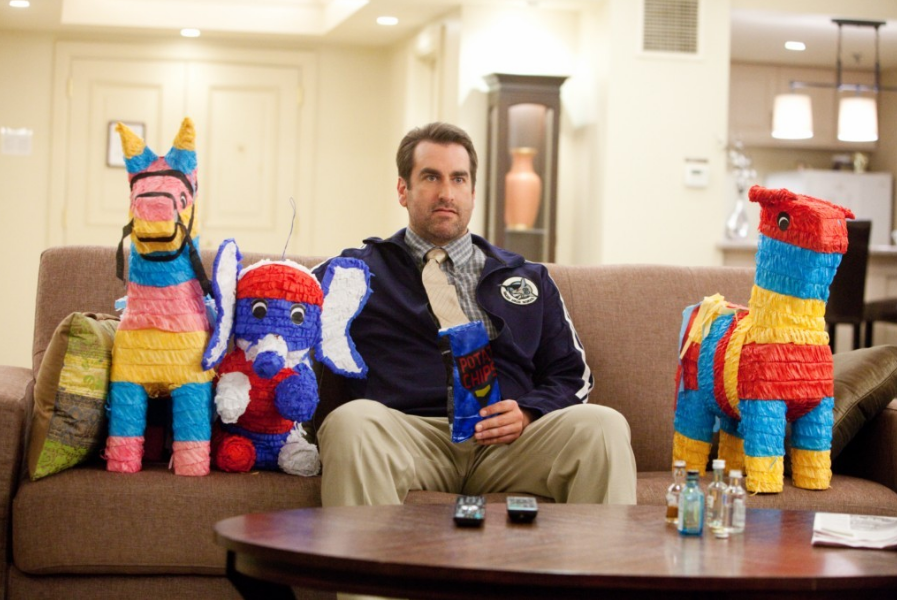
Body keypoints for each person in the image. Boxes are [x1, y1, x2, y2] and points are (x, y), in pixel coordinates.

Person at [313, 122, 636, 508]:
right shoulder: (357, 271)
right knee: (351, 422)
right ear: (403, 190)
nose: (446, 193)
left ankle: (601, 552)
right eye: (430, 177)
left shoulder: (526, 276)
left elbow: (572, 373)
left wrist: (529, 412)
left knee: (604, 427)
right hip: (408, 434)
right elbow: (283, 292)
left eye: (458, 179)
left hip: (511, 443)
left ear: (473, 192)